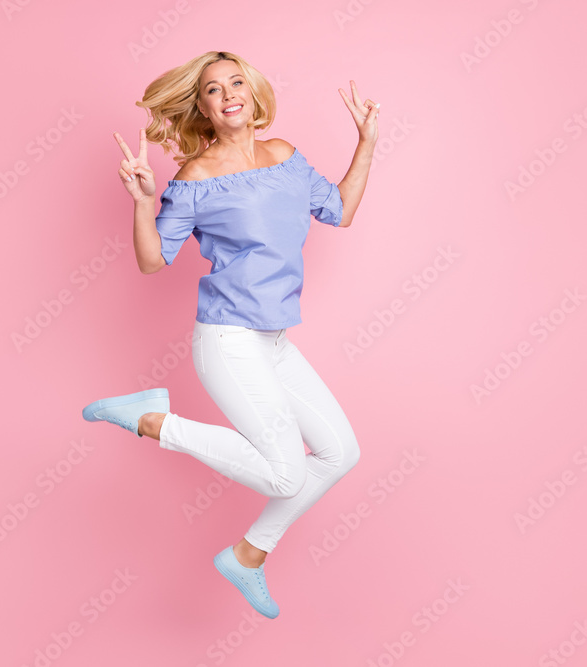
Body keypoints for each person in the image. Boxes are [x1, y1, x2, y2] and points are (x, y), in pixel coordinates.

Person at [81, 50, 378, 619]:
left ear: (253, 92)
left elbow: (339, 210)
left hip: (273, 341)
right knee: (287, 472)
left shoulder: (285, 157)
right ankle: (150, 419)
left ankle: (247, 557)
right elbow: (153, 261)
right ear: (204, 108)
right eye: (214, 90)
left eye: (236, 82)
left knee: (340, 453)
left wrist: (366, 141)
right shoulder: (196, 178)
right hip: (227, 339)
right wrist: (145, 202)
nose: (228, 94)